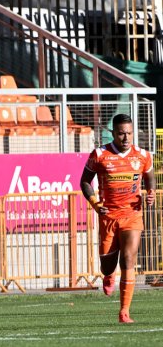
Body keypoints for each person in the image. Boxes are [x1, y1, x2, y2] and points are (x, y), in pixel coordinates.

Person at [80, 113, 155, 323]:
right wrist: (95, 203)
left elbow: (149, 176)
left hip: (132, 214)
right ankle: (108, 274)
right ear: (113, 133)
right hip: (108, 216)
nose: (126, 138)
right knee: (107, 264)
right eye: (121, 133)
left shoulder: (142, 155)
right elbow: (84, 181)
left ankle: (124, 311)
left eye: (129, 133)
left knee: (129, 259)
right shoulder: (100, 154)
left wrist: (151, 192)